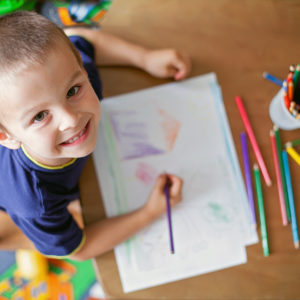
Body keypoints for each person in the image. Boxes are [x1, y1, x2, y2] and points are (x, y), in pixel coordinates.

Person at [0, 11, 191, 260]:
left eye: (73, 91)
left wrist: (144, 58)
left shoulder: (74, 77)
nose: (71, 119)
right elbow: (79, 250)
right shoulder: (35, 204)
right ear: (8, 137)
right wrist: (149, 213)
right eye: (39, 117)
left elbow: (80, 37)